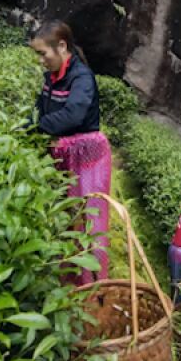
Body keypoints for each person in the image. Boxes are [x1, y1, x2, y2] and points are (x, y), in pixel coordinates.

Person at [31, 20, 112, 286]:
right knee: (67, 218)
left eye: (43, 53)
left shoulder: (81, 77)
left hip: (88, 157)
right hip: (63, 155)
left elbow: (73, 114)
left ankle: (93, 286)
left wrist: (36, 128)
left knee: (89, 220)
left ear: (62, 46)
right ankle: (68, 281)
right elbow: (41, 111)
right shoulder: (50, 79)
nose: (41, 60)